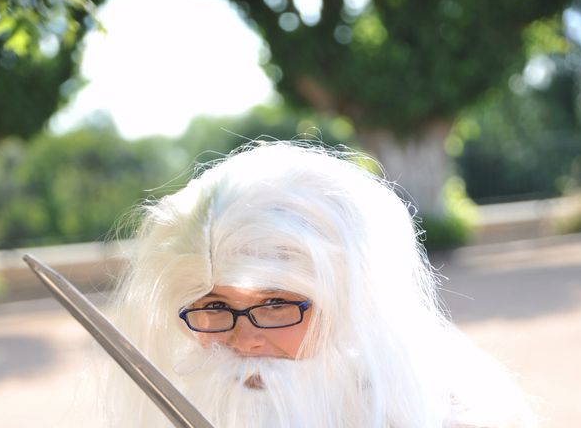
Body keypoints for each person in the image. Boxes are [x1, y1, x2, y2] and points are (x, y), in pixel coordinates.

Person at [95, 141, 535, 428]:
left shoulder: (449, 415)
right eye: (214, 307)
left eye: (273, 304)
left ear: (346, 302)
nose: (243, 340)